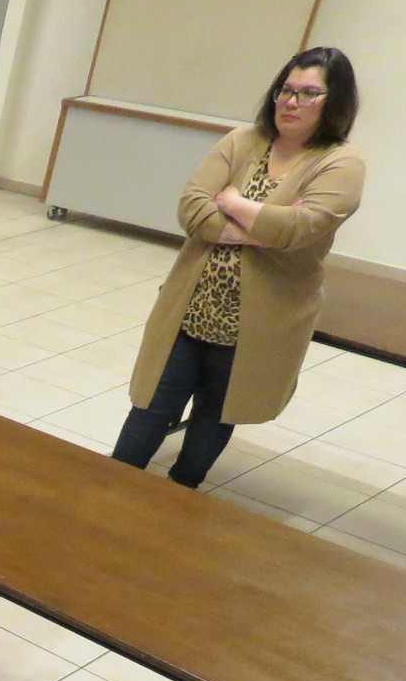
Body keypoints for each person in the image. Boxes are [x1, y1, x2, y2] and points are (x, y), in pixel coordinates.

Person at [112, 49, 364, 489]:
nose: (291, 102)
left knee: (216, 413)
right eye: (286, 90)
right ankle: (108, 488)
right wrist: (264, 227)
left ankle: (180, 494)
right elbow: (192, 211)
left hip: (257, 324)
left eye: (309, 94)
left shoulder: (341, 163)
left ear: (335, 100)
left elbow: (302, 228)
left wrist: (231, 203)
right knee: (151, 404)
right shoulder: (242, 141)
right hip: (190, 311)